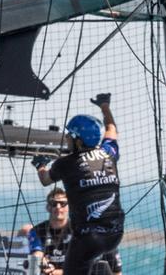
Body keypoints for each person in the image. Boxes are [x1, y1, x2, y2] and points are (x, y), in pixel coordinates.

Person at [33, 94, 123, 275]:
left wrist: (40, 164)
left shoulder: (66, 163)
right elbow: (111, 128)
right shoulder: (108, 153)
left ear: (79, 140)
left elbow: (45, 180)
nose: (66, 137)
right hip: (115, 235)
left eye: (69, 135)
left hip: (89, 238)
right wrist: (104, 106)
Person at [28, 187, 124, 275]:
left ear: (69, 206)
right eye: (54, 204)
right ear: (48, 207)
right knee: (34, 265)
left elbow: (86, 266)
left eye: (62, 203)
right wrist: (41, 261)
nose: (58, 207)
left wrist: (55, 272)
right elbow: (36, 254)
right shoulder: (37, 231)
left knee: (100, 267)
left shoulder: (80, 229)